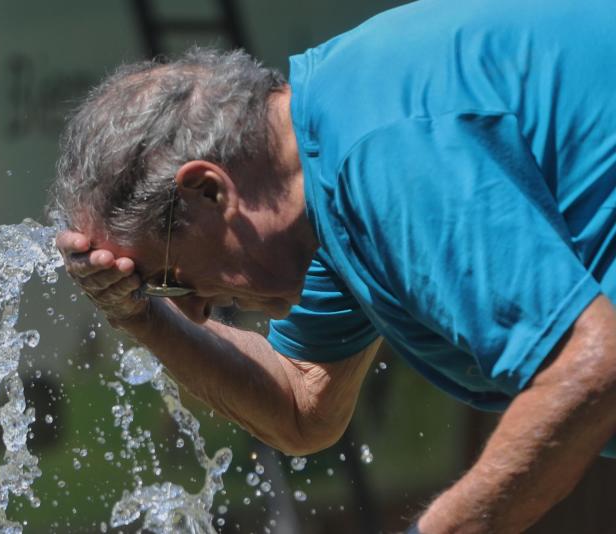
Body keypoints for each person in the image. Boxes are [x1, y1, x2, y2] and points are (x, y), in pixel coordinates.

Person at [51, 0, 616, 531]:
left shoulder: (384, 151)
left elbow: (591, 365)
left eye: (168, 281)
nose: (195, 310)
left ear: (207, 191)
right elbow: (302, 407)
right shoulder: (323, 166)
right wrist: (141, 317)